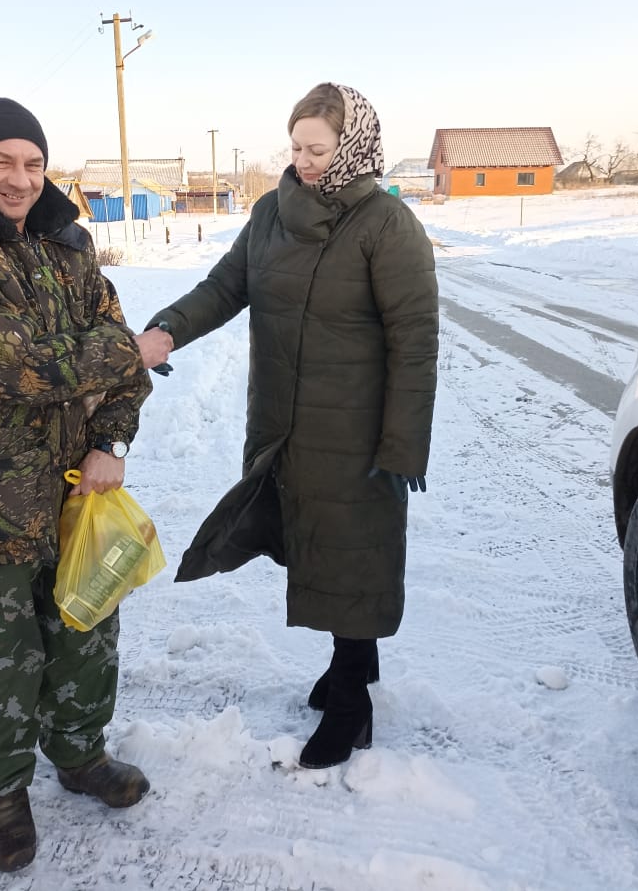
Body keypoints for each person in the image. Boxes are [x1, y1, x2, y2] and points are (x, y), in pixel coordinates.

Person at [0, 97, 172, 872]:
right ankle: (4, 793)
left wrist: (112, 439)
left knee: (87, 632)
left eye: (33, 163)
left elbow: (115, 364)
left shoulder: (70, 248)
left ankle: (81, 757)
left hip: (81, 492)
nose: (20, 180)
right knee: (0, 657)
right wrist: (125, 352)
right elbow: (11, 368)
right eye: (2, 163)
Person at [146, 83, 438, 769]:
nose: (304, 161)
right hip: (282, 419)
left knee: (350, 550)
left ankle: (350, 705)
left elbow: (415, 342)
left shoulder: (387, 227)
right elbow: (224, 286)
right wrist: (165, 330)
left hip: (358, 432)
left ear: (353, 148)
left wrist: (403, 444)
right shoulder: (272, 214)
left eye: (318, 148)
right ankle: (351, 668)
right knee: (314, 544)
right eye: (297, 146)